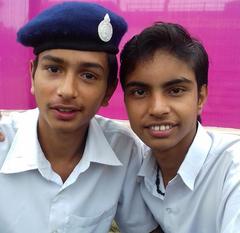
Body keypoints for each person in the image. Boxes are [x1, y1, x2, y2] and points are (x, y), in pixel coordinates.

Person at [0, 2, 159, 233]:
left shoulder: (122, 151)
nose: (67, 90)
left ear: (108, 91)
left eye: (88, 75)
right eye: (54, 69)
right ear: (32, 75)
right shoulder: (3, 144)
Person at [119, 22, 240, 233]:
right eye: (139, 92)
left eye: (175, 90)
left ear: (200, 97)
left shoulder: (232, 170)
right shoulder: (135, 169)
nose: (157, 108)